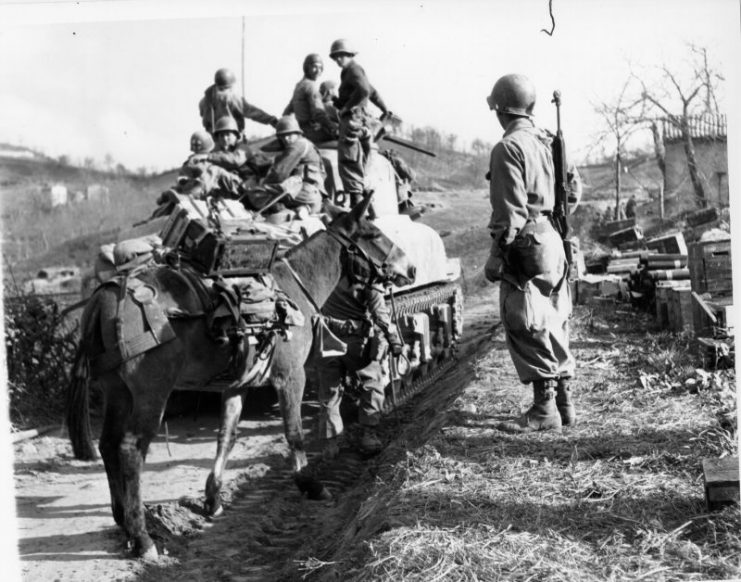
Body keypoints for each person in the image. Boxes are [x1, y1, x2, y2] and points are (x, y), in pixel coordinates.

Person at [483, 73, 581, 433]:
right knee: (555, 317)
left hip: (526, 243)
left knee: (525, 320)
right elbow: (573, 191)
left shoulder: (508, 148)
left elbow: (508, 216)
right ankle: (565, 404)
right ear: (531, 108)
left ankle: (544, 411)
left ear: (499, 111)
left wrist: (495, 257)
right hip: (554, 238)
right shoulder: (548, 142)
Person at [316, 246, 404, 457]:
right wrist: (395, 341)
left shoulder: (326, 279)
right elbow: (381, 317)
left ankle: (331, 443)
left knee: (329, 391)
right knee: (372, 385)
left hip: (327, 340)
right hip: (357, 342)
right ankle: (368, 435)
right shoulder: (370, 284)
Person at [329, 38, 392, 207]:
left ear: (349, 55)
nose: (338, 60)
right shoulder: (354, 71)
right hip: (361, 120)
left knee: (348, 160)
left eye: (341, 56)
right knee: (360, 160)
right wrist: (384, 109)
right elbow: (371, 91)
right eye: (336, 57)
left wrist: (346, 108)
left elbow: (364, 90)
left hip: (352, 120)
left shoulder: (353, 70)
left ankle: (357, 207)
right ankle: (364, 205)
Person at [242, 115, 325, 215]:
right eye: (283, 136)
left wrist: (262, 183)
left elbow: (279, 173)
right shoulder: (305, 144)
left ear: (297, 133)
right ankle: (296, 210)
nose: (286, 139)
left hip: (306, 192)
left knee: (257, 192)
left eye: (289, 135)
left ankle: (282, 210)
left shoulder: (298, 145)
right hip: (310, 193)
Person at [199, 67, 278, 136]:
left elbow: (202, 115)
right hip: (230, 137)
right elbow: (252, 112)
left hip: (211, 139)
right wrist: (271, 120)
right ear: (230, 85)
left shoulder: (204, 100)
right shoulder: (232, 98)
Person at [283, 54, 338, 144]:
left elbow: (287, 111)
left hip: (301, 130)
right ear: (307, 68)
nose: (318, 71)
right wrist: (333, 128)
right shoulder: (311, 86)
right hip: (313, 132)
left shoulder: (299, 85)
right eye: (314, 67)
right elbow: (318, 113)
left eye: (320, 68)